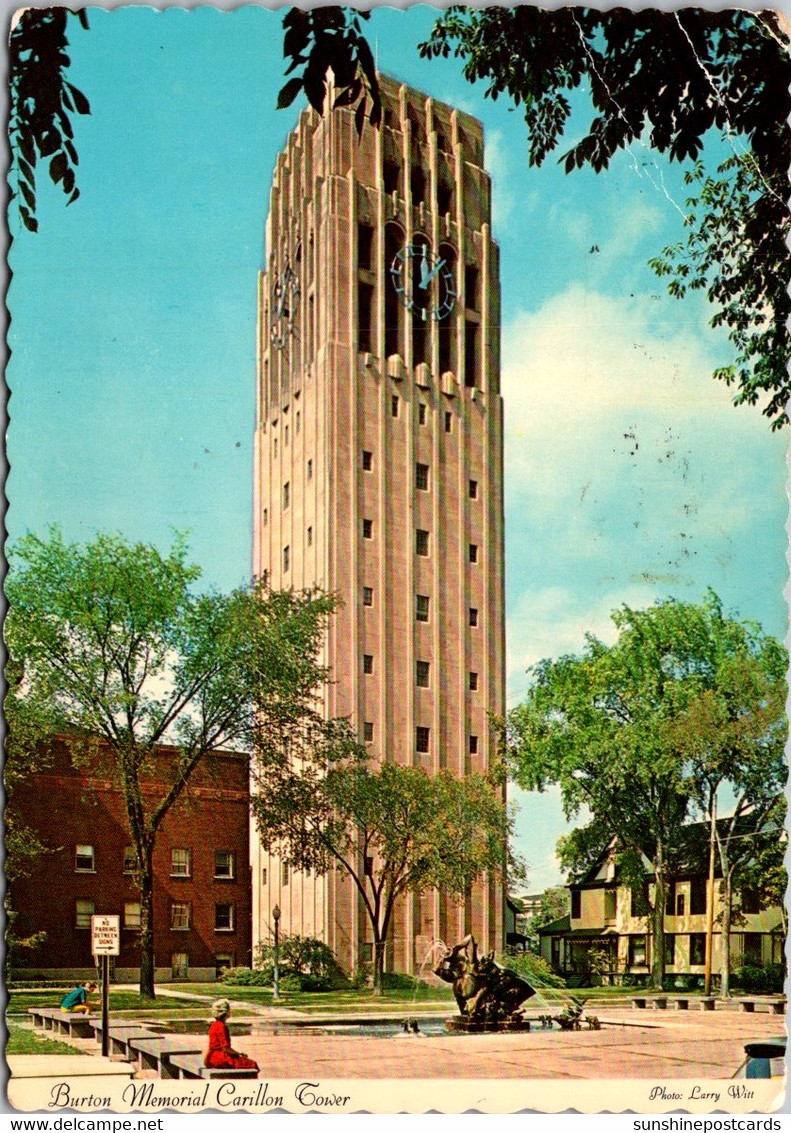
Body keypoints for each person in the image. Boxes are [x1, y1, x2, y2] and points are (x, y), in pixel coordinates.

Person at [204, 999, 259, 1072]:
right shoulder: (221, 1026)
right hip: (220, 1058)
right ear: (225, 1012)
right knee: (252, 1064)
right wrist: (238, 1053)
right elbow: (225, 1048)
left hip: (211, 1057)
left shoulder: (214, 1025)